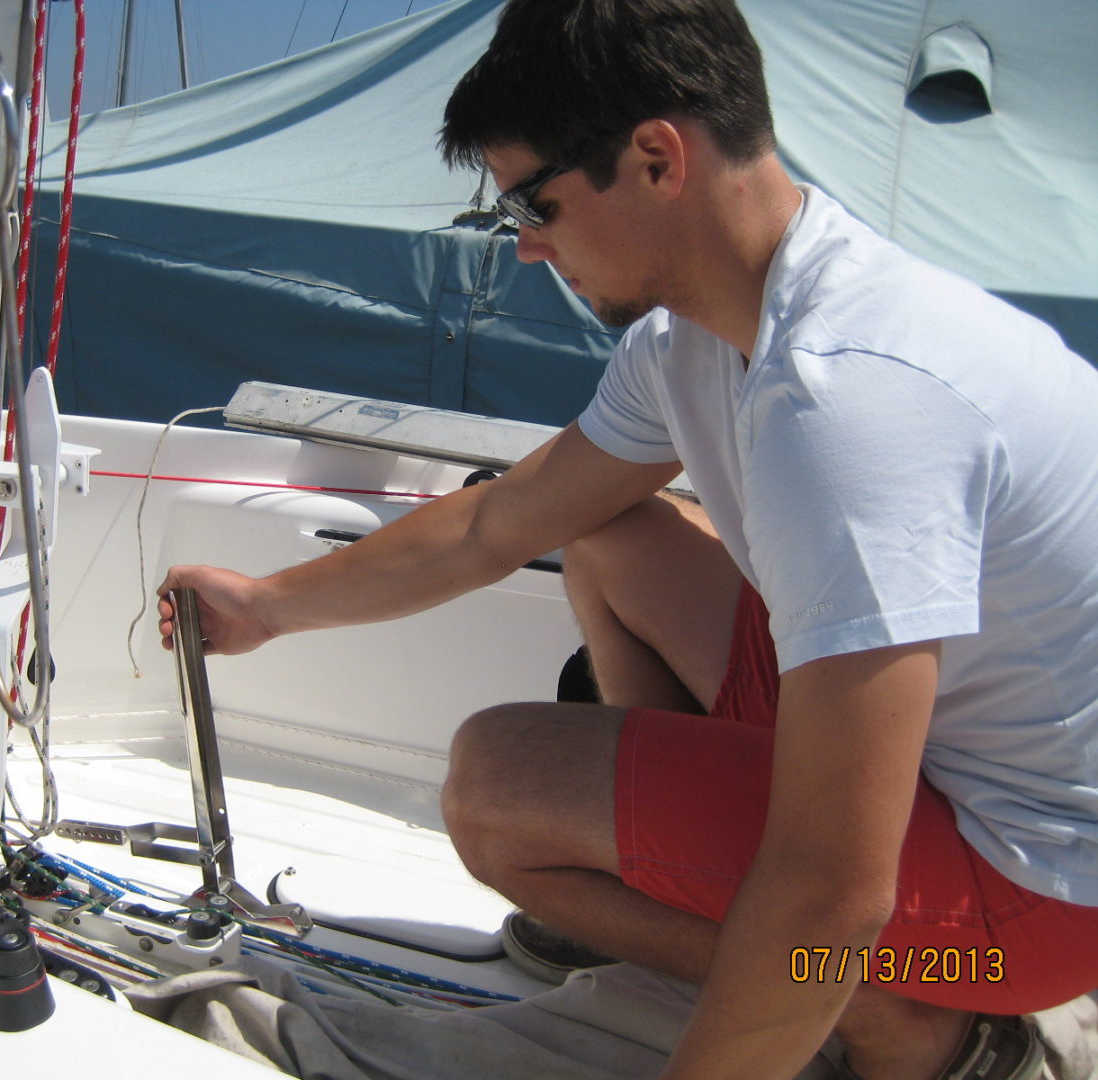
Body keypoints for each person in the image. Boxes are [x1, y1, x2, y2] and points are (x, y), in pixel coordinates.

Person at [158, 1, 1098, 1076]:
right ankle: (706, 903)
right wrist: (267, 606)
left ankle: (896, 1018)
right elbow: (496, 524)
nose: (526, 249)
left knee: (497, 792)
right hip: (951, 756)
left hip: (1038, 901)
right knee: (607, 533)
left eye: (537, 203)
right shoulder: (704, 337)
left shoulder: (848, 404)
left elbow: (835, 889)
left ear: (658, 158)